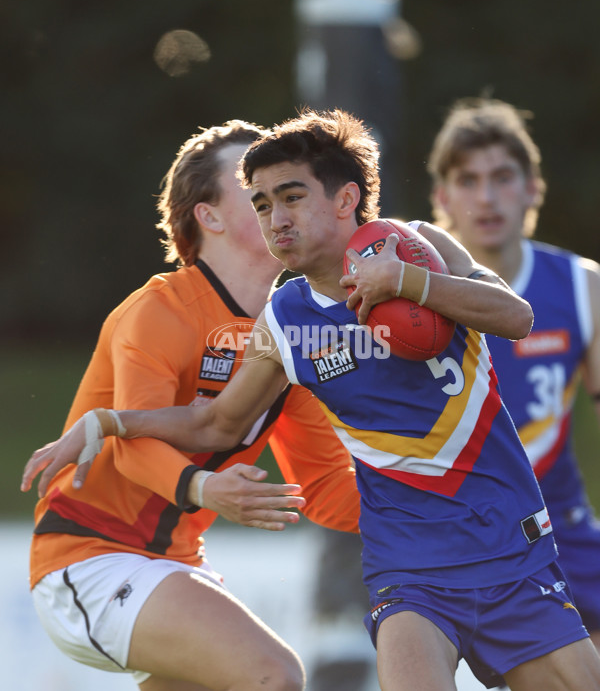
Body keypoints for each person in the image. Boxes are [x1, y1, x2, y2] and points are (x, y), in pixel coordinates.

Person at [23, 108, 600, 691]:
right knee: (281, 674)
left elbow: (517, 316)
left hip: (511, 547)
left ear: (347, 198)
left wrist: (406, 282)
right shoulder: (284, 320)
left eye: (291, 197)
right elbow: (218, 424)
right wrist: (109, 422)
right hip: (409, 571)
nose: (276, 218)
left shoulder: (420, 245)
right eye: (263, 203)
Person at [20, 119, 361, 691]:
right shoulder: (160, 310)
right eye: (249, 181)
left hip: (173, 565)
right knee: (274, 675)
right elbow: (131, 449)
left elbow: (327, 488)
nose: (270, 191)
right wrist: (205, 490)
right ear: (210, 216)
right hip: (87, 557)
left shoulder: (290, 330)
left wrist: (442, 502)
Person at [426, 97, 600, 653]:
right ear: (441, 198)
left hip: (562, 533)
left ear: (533, 188)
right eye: (467, 179)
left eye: (502, 177)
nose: (486, 196)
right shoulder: (409, 299)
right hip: (453, 540)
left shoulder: (582, 287)